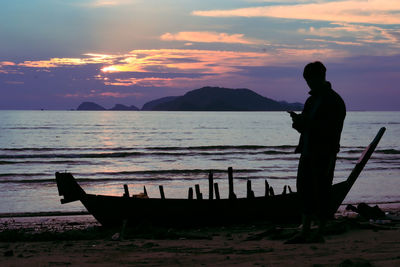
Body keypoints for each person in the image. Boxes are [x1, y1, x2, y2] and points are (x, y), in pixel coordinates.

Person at [286, 61, 346, 243]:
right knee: (304, 190)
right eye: (306, 80)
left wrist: (304, 123)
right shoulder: (312, 100)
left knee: (321, 190)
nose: (308, 84)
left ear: (320, 77)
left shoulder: (333, 100)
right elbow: (307, 127)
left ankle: (319, 231)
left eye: (310, 80)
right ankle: (305, 231)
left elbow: (329, 129)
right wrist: (298, 123)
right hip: (307, 150)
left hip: (324, 152)